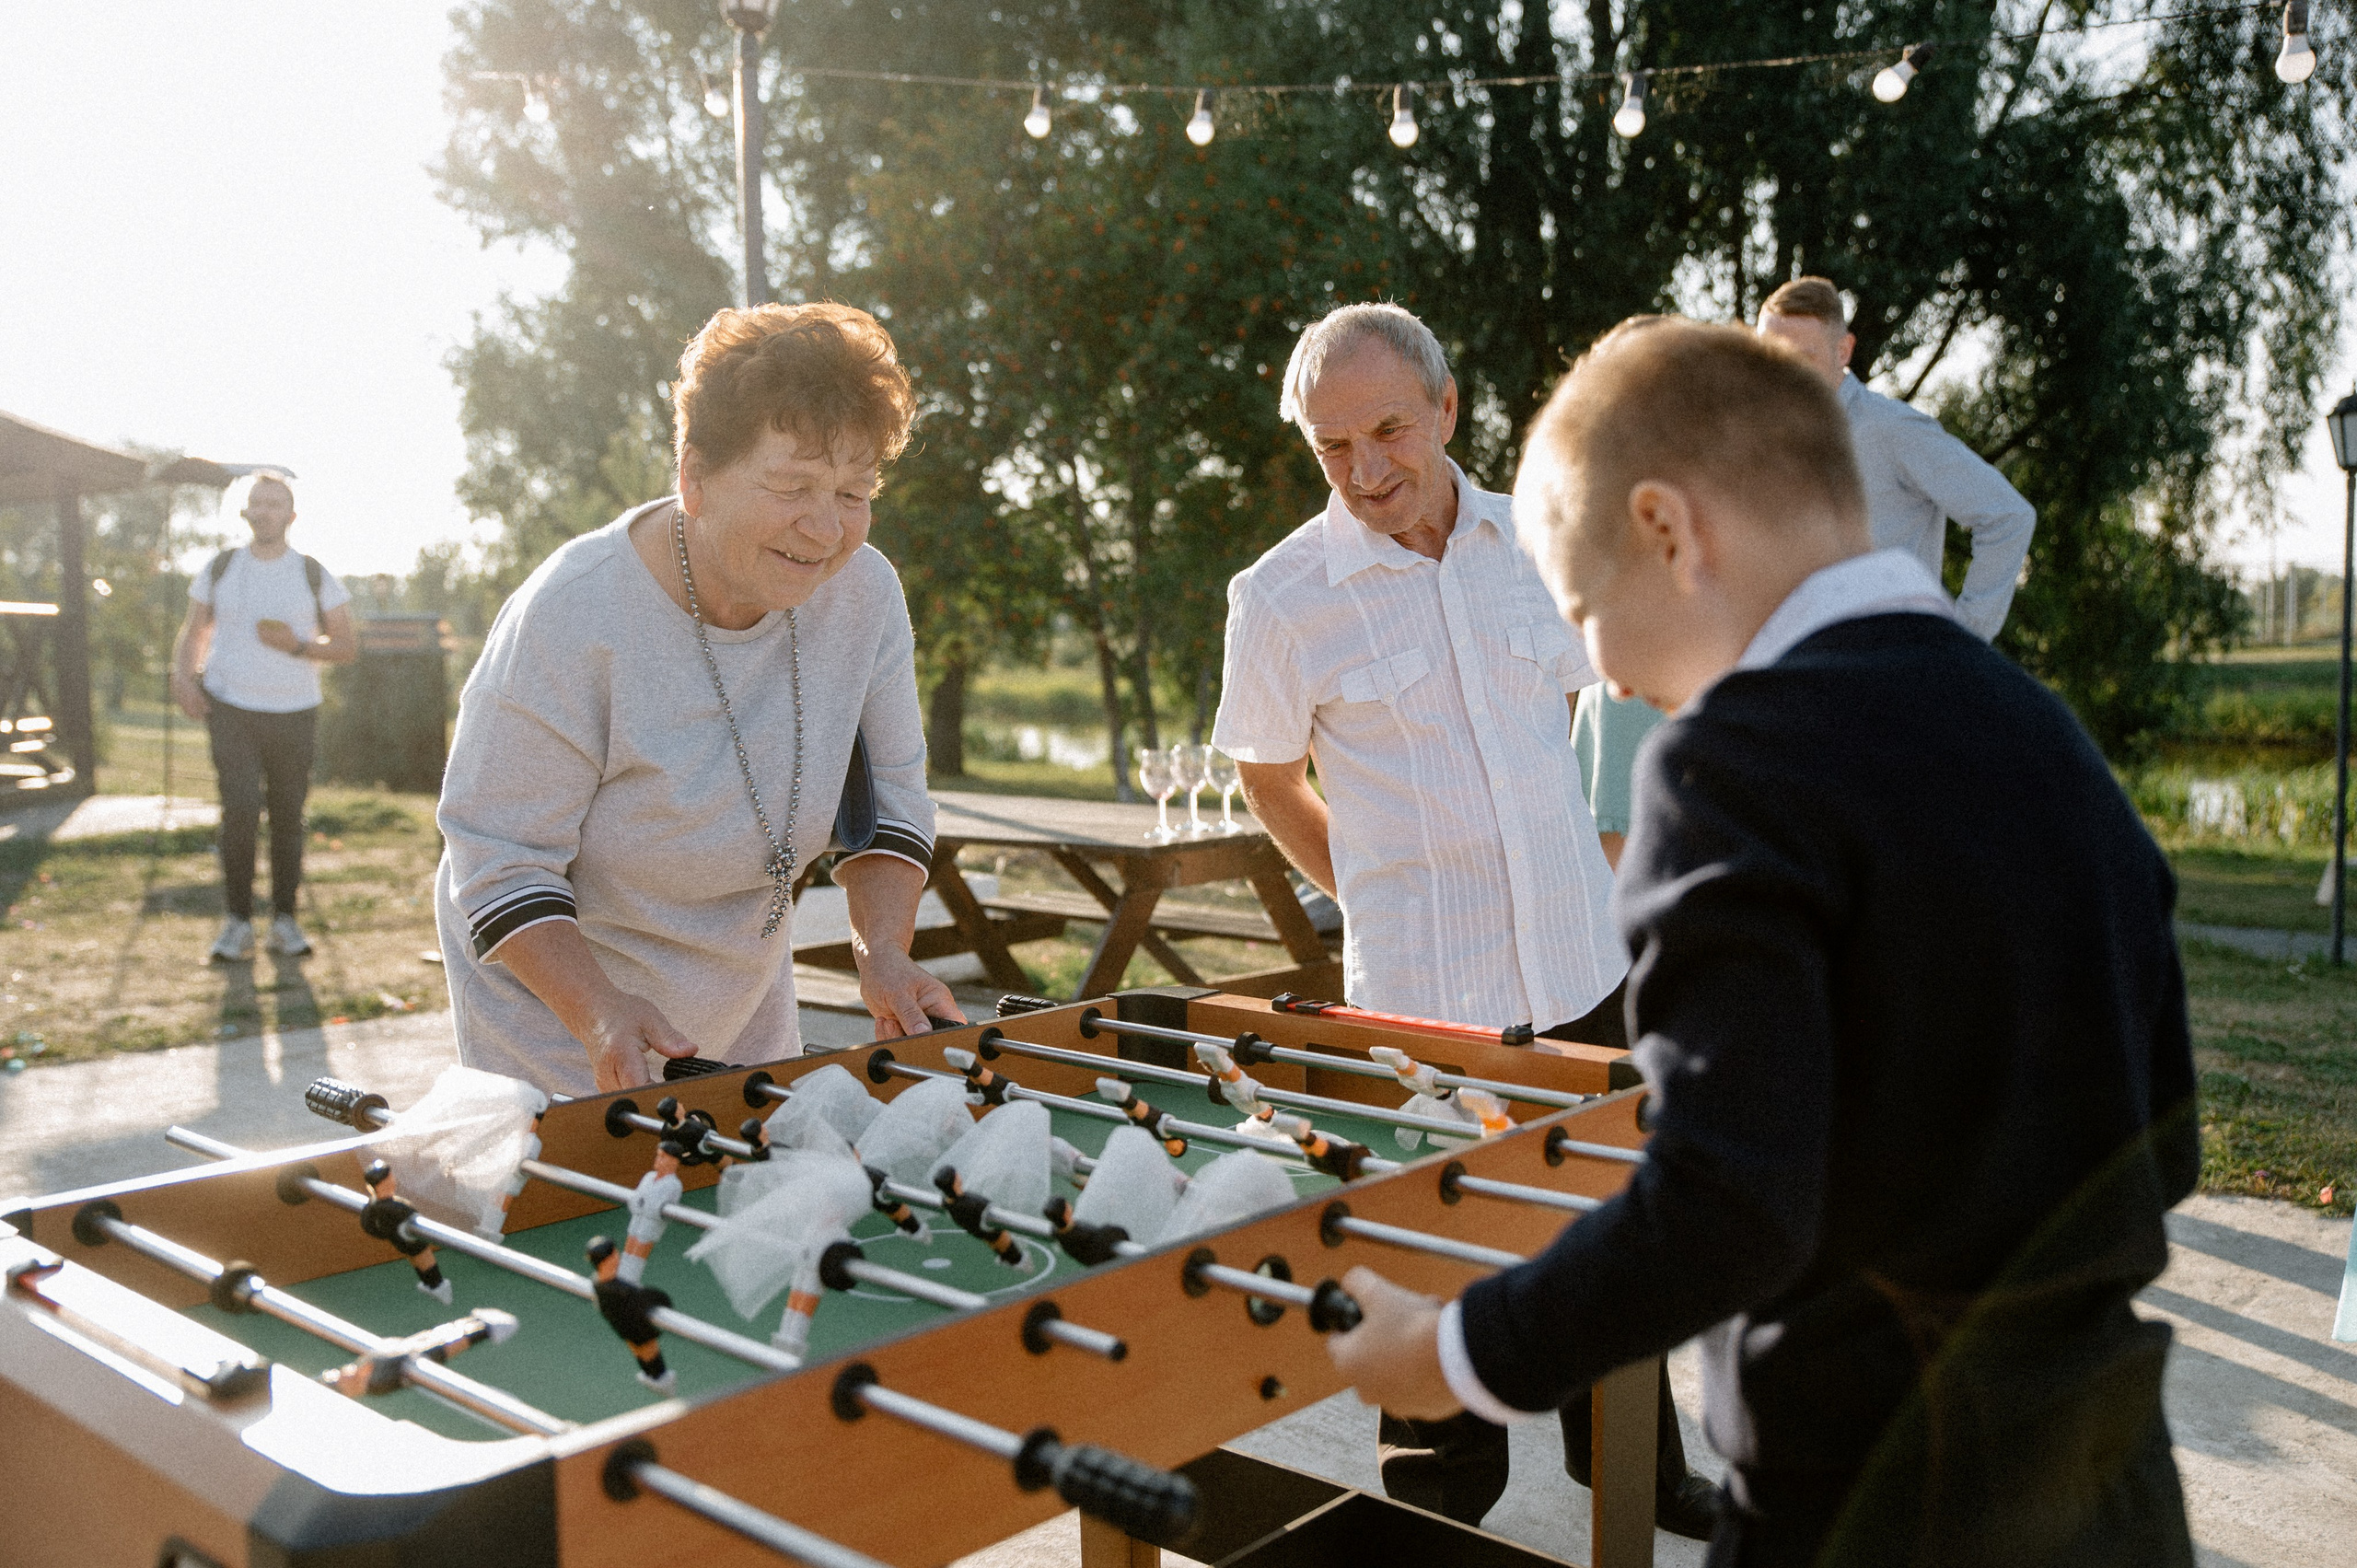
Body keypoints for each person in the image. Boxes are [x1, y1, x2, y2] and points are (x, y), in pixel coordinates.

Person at [1329, 316, 2198, 1568]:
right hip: (2117, 1492)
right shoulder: (2048, 737)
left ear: (1669, 531)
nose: (1611, 682)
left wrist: (1454, 1353)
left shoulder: (1734, 761)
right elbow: (2163, 1134)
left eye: (1587, 613)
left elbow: (1728, 1201)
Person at [1212, 301, 1713, 1539]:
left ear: (1447, 407)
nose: (1366, 467)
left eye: (1387, 427)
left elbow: (1617, 683)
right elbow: (1265, 772)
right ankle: (1438, 1516)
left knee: (1618, 1240)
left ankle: (1637, 1468)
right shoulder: (1279, 598)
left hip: (1585, 967)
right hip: (1421, 1009)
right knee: (1434, 1270)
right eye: (1333, 446)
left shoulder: (1543, 537)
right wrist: (1363, 883)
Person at [435, 302, 961, 1096]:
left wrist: (880, 951)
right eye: (792, 486)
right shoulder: (575, 612)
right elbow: (500, 860)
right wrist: (601, 1011)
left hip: (745, 998)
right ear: (695, 479)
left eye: (854, 492)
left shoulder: (864, 594)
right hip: (561, 1020)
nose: (825, 528)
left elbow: (890, 804)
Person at [1756, 276, 2035, 640]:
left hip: (1890, 673)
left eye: (1801, 358)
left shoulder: (1892, 429)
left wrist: (1961, 641)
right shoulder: (1764, 443)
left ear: (1843, 351)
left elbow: (2008, 516)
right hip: (1800, 674)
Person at [170, 470, 356, 962]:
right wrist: (183, 679)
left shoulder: (314, 573)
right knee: (238, 812)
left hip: (295, 711)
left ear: (291, 516)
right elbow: (195, 630)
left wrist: (296, 644)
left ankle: (285, 922)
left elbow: (346, 646)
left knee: (288, 818)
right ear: (246, 512)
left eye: (276, 504)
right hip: (230, 706)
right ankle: (236, 924)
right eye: (259, 502)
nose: (266, 511)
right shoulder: (221, 567)